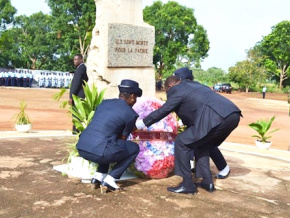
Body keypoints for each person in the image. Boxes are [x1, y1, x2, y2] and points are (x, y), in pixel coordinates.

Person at [136, 76, 241, 194]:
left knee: (181, 141)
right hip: (233, 115)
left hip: (215, 118)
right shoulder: (194, 85)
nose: (168, 93)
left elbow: (164, 110)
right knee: (201, 144)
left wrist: (142, 123)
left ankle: (187, 184)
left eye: (167, 91)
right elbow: (194, 107)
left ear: (170, 86)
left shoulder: (177, 90)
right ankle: (207, 182)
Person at [76, 79, 142, 193]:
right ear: (132, 96)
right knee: (133, 148)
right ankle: (110, 180)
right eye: (135, 98)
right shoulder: (130, 114)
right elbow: (122, 140)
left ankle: (98, 177)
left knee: (108, 142)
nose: (135, 101)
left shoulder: (104, 103)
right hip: (99, 152)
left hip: (82, 147)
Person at [174, 67, 231, 179]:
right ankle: (204, 170)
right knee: (199, 142)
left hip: (209, 119)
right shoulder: (195, 86)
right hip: (204, 118)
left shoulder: (189, 87)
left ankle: (221, 168)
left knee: (203, 142)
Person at [69, 54, 88, 134]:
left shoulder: (80, 69)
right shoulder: (82, 68)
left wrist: (71, 96)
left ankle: (76, 130)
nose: (74, 61)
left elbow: (76, 84)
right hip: (81, 94)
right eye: (74, 60)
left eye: (76, 59)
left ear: (81, 60)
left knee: (76, 113)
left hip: (78, 95)